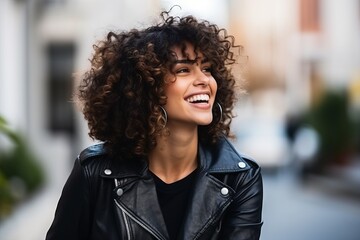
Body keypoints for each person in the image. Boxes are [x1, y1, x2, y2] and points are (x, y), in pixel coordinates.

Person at [46, 10, 263, 240]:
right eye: (183, 70)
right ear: (146, 88)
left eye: (207, 68)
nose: (204, 80)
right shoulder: (95, 174)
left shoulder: (240, 179)